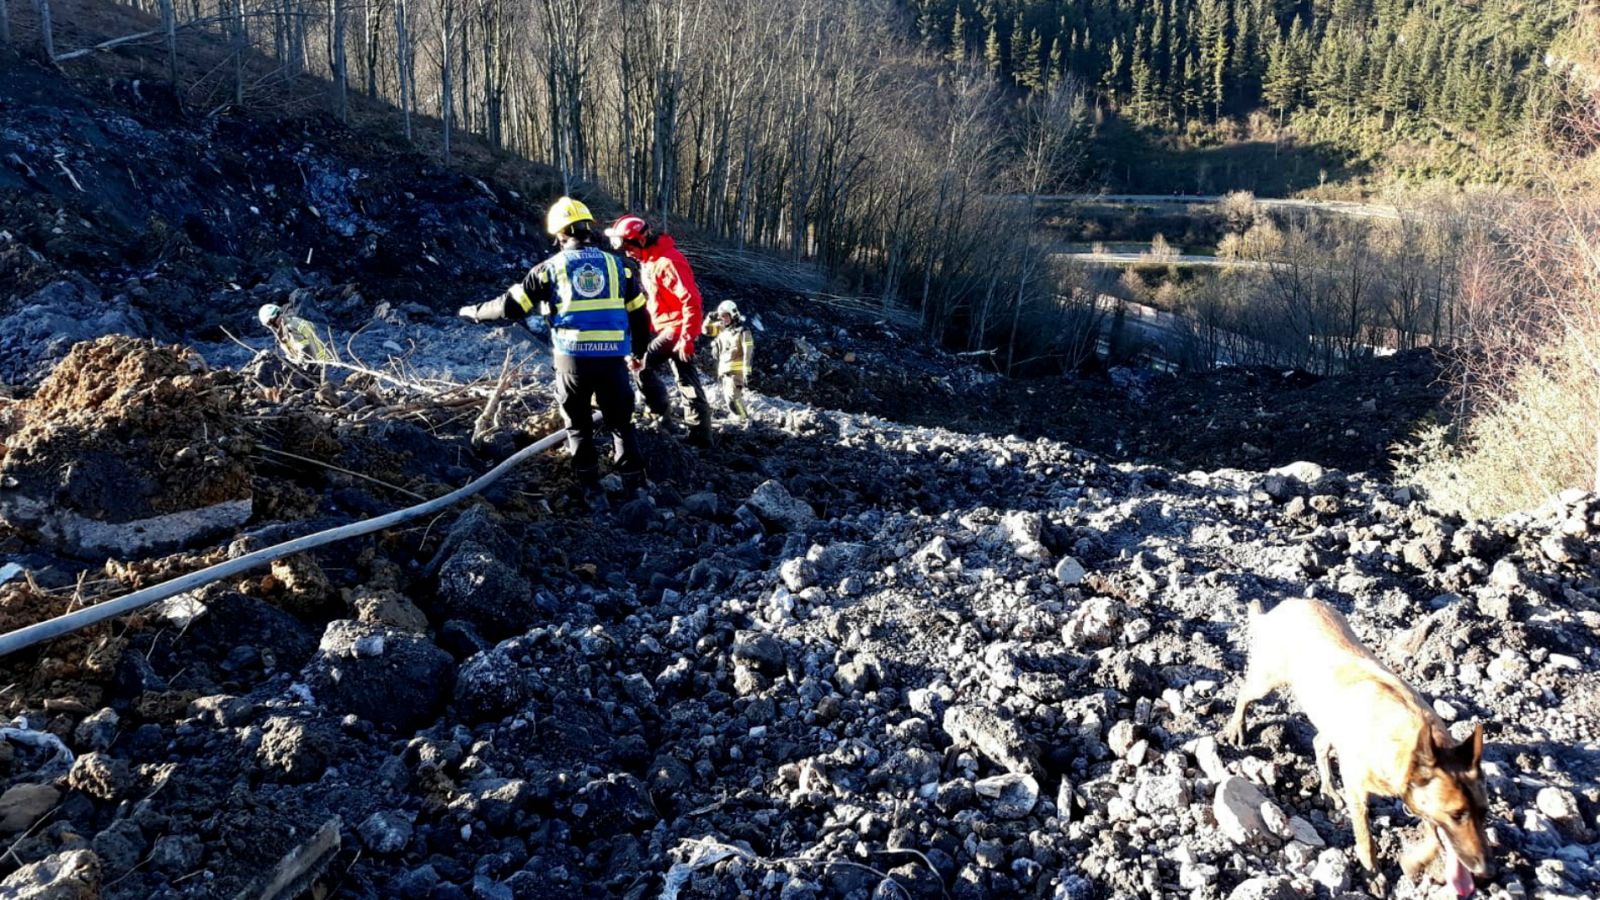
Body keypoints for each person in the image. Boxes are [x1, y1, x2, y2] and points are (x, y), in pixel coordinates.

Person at [457, 197, 651, 497]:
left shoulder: (548, 270)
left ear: (559, 234)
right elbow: (640, 317)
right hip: (613, 360)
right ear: (589, 229)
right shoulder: (620, 267)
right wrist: (638, 354)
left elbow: (511, 307)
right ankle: (636, 488)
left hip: (572, 361)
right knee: (622, 425)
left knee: (578, 426)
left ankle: (590, 490)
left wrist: (475, 311)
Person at [602, 214, 714, 446]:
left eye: (628, 247)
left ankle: (662, 417)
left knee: (641, 364)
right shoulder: (650, 262)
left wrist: (687, 338)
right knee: (686, 379)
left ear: (640, 241)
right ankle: (700, 435)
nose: (627, 253)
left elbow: (691, 300)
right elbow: (659, 302)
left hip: (677, 329)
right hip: (671, 328)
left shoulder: (667, 262)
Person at [703, 300, 755, 424]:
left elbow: (749, 351)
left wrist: (747, 371)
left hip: (736, 371)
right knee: (729, 399)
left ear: (733, 314)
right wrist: (709, 318)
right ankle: (740, 418)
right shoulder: (722, 329)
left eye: (726, 315)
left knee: (733, 398)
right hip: (724, 371)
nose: (723, 319)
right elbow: (705, 330)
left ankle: (745, 419)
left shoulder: (743, 331)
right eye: (722, 316)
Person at [258, 304, 335, 365]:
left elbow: (304, 347)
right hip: (320, 360)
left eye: (271, 323)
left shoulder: (290, 328)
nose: (272, 326)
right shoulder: (290, 323)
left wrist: (298, 362)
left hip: (317, 363)